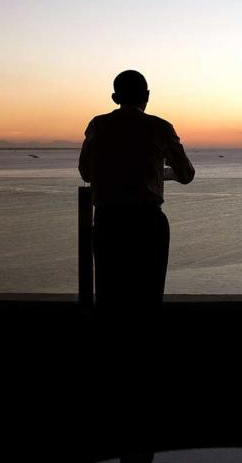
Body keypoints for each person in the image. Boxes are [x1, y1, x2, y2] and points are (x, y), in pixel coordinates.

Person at [79, 70, 195, 313]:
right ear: (147, 95)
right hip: (147, 223)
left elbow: (86, 173)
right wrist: (162, 174)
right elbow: (186, 174)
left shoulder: (98, 125)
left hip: (108, 222)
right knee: (149, 297)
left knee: (109, 296)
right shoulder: (161, 128)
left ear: (114, 97)